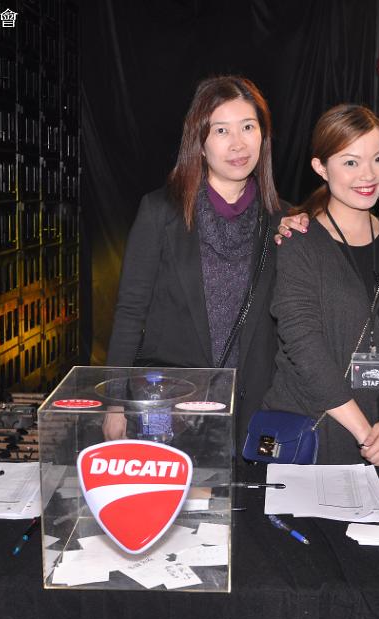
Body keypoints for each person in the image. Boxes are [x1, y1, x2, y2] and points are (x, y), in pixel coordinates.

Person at [105, 76, 288, 447]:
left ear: (263, 136)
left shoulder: (283, 221)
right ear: (199, 143)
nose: (238, 143)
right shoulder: (160, 212)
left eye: (248, 127)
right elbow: (130, 312)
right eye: (221, 130)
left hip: (254, 410)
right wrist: (115, 404)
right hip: (172, 409)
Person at [262, 104, 379, 467]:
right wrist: (368, 437)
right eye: (351, 162)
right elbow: (303, 344)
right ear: (321, 167)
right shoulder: (299, 242)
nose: (368, 174)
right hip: (324, 433)